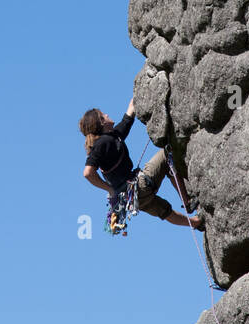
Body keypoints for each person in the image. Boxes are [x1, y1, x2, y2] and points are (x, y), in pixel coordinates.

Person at [79, 98, 204, 229]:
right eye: (103, 114)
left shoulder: (111, 138)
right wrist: (109, 189)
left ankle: (196, 222)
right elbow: (88, 173)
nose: (107, 115)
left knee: (165, 212)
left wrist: (137, 96)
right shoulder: (102, 143)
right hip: (139, 186)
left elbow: (127, 119)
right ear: (102, 122)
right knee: (167, 153)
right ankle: (187, 201)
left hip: (134, 199)